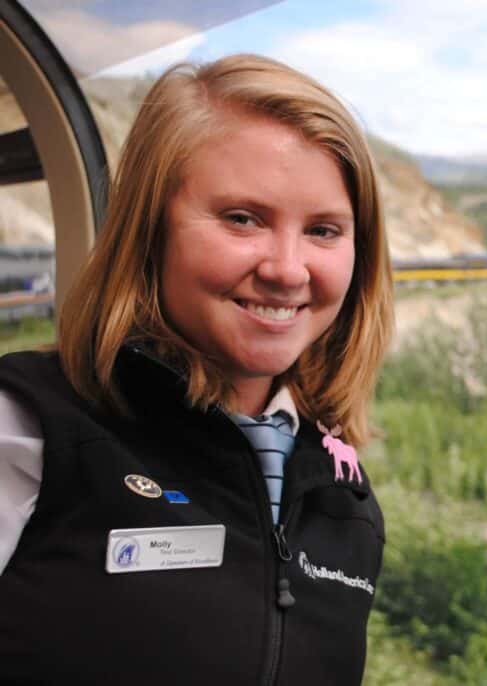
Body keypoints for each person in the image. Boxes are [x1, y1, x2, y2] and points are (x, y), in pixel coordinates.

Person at [0, 54, 393, 684]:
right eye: (243, 218)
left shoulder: (339, 492)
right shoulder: (26, 428)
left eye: (323, 230)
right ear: (148, 230)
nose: (288, 269)